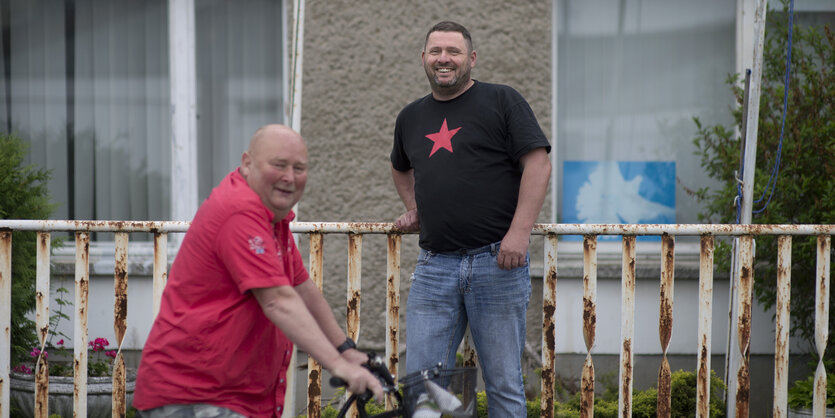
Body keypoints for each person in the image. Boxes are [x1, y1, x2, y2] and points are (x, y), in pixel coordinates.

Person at [135, 124, 383, 417]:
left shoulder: (271, 217)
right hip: (195, 397)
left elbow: (302, 289)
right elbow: (278, 299)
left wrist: (344, 349)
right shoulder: (240, 212)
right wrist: (338, 365)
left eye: (299, 168)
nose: (289, 177)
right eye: (279, 165)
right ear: (247, 163)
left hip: (228, 397)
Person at [390, 21, 552, 416]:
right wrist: (415, 208)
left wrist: (520, 232)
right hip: (434, 267)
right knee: (425, 387)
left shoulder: (502, 100)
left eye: (454, 51)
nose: (444, 59)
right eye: (435, 51)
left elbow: (539, 164)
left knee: (504, 385)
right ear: (424, 59)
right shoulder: (410, 117)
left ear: (471, 58)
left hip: (497, 260)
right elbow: (400, 167)